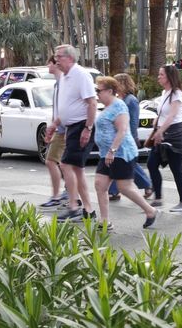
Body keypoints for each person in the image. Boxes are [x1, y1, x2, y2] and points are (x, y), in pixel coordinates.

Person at [94, 76, 158, 229]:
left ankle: (150, 211)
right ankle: (104, 221)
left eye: (99, 90)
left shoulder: (119, 106)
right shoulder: (107, 107)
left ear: (110, 91)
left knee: (124, 187)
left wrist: (112, 150)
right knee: (100, 185)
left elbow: (122, 130)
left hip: (121, 153)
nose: (97, 94)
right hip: (106, 154)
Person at [47, 44, 97, 222]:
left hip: (81, 125)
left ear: (69, 58)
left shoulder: (80, 75)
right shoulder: (66, 77)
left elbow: (91, 103)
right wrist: (55, 124)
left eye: (58, 56)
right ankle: (88, 209)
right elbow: (68, 107)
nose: (56, 59)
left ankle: (74, 206)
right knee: (76, 169)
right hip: (72, 127)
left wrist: (88, 128)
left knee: (66, 165)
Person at [147, 65, 182, 212]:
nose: (158, 77)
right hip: (163, 132)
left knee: (176, 168)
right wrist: (157, 123)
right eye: (159, 74)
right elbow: (164, 114)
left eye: (161, 75)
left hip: (175, 133)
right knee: (152, 163)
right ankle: (158, 198)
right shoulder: (165, 92)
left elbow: (172, 116)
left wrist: (161, 131)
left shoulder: (176, 93)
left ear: (169, 77)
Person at [107, 74, 153, 201]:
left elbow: (132, 122)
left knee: (126, 163)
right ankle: (114, 191)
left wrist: (130, 138)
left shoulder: (131, 100)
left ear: (122, 84)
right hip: (120, 136)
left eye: (115, 83)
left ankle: (147, 184)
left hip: (126, 137)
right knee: (120, 163)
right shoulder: (122, 99)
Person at [40, 56, 69, 210]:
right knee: (63, 164)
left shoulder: (62, 82)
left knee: (52, 161)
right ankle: (66, 193)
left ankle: (58, 195)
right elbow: (57, 108)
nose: (47, 65)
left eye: (49, 62)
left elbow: (64, 108)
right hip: (60, 127)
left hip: (63, 128)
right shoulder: (58, 83)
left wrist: (55, 125)